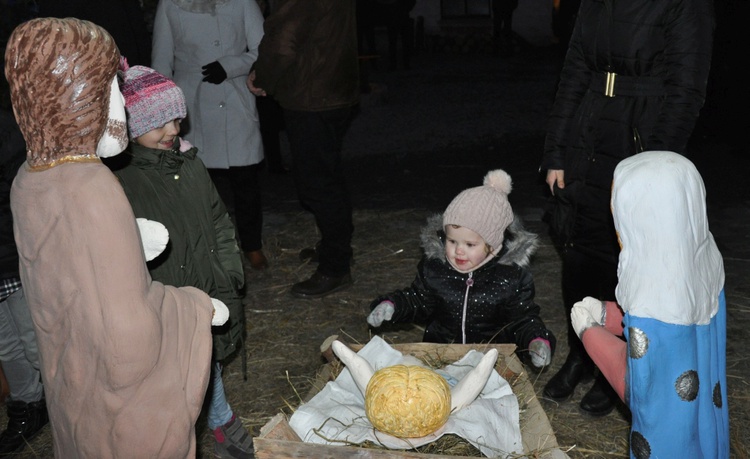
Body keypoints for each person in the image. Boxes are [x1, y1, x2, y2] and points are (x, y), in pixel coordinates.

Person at [5, 17, 220, 457]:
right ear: (79, 97)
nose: (120, 104)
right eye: (112, 89)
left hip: (74, 389)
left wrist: (127, 244)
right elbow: (131, 342)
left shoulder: (28, 181)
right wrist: (193, 307)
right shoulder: (93, 187)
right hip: (121, 417)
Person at [540, 0, 714, 416]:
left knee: (626, 260)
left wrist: (651, 169)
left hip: (642, 137)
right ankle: (582, 352)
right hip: (589, 132)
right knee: (578, 250)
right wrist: (556, 151)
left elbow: (686, 90)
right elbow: (575, 68)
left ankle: (617, 362)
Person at [109, 62, 254, 459]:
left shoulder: (190, 165)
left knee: (207, 360)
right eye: (159, 123)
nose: (173, 130)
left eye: (176, 119)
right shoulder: (120, 182)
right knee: (171, 373)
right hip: (163, 297)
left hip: (208, 285)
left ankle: (219, 419)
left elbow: (218, 219)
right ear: (129, 127)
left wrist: (230, 267)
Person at [571, 151, 728, 457]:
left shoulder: (652, 295)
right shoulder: (705, 267)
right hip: (707, 432)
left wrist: (590, 333)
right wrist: (608, 314)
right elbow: (671, 339)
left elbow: (643, 390)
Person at [367, 170, 556, 370]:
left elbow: (522, 319)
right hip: (442, 356)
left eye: (470, 244)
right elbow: (417, 299)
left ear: (492, 245)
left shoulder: (510, 277)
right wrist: (392, 305)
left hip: (491, 362)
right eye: (452, 241)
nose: (459, 250)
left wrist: (536, 341)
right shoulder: (436, 269)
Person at [247, 0, 360, 298]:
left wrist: (263, 77)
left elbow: (283, 40)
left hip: (313, 95)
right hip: (335, 87)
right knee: (328, 173)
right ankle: (335, 247)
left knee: (319, 184)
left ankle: (335, 266)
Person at [151, 0, 269, 270]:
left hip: (234, 99)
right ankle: (207, 247)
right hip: (191, 104)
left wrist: (233, 65)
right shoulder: (171, 4)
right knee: (196, 183)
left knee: (246, 180)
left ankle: (252, 245)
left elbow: (265, 48)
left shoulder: (241, 2)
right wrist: (161, 110)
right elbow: (162, 59)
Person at [0, 77, 47, 455]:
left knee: (34, 339)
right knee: (4, 344)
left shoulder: (10, 131)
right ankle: (27, 405)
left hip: (11, 257)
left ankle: (62, 398)